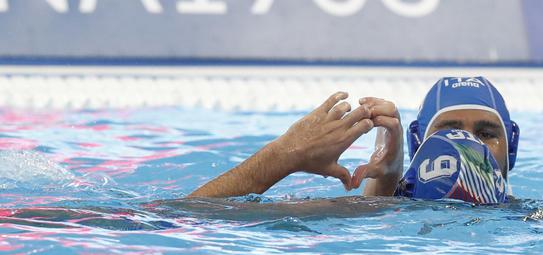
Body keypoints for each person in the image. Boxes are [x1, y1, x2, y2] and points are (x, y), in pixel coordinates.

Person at [188, 76, 519, 204]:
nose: (466, 147)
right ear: (418, 146)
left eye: (486, 134)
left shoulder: (541, 220)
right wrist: (285, 155)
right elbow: (186, 214)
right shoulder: (385, 218)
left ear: (512, 148)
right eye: (447, 132)